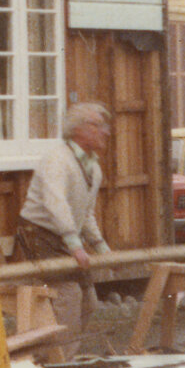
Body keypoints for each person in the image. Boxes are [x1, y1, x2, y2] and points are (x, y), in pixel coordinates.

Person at [17, 102, 114, 355]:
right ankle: (58, 362)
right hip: (39, 233)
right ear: (79, 130)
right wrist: (75, 244)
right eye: (98, 126)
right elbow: (54, 203)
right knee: (68, 297)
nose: (106, 132)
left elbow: (85, 213)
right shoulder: (57, 159)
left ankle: (58, 355)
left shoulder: (93, 167)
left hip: (66, 234)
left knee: (89, 303)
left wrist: (101, 247)